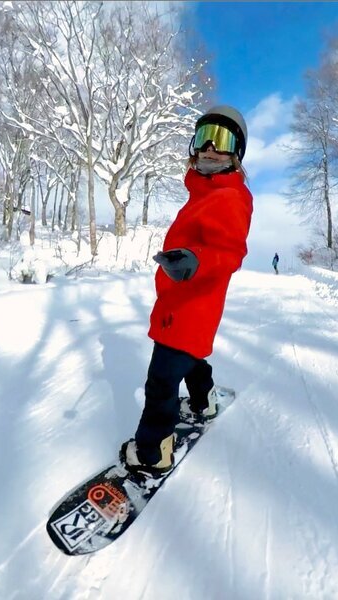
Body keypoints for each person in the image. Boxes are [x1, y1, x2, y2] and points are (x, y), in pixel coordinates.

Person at [121, 105, 254, 474]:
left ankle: (152, 452)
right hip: (183, 302)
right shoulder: (203, 193)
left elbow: (230, 251)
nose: (210, 146)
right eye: (203, 136)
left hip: (192, 303)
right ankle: (204, 402)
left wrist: (197, 259)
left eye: (223, 139)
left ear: (236, 154)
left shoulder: (229, 197)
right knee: (191, 355)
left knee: (161, 381)